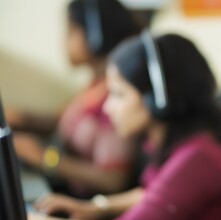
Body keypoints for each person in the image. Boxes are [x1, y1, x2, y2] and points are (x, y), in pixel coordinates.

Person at [27, 33, 221, 220]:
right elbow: (154, 194)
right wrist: (97, 207)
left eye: (118, 94)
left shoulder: (198, 159)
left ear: (156, 99)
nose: (108, 107)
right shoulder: (181, 145)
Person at [8, 0, 140, 197]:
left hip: (85, 204)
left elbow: (114, 179)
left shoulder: (116, 95)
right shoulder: (95, 85)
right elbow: (58, 120)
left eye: (70, 32)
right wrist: (19, 118)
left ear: (96, 36)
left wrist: (45, 158)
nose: (63, 43)